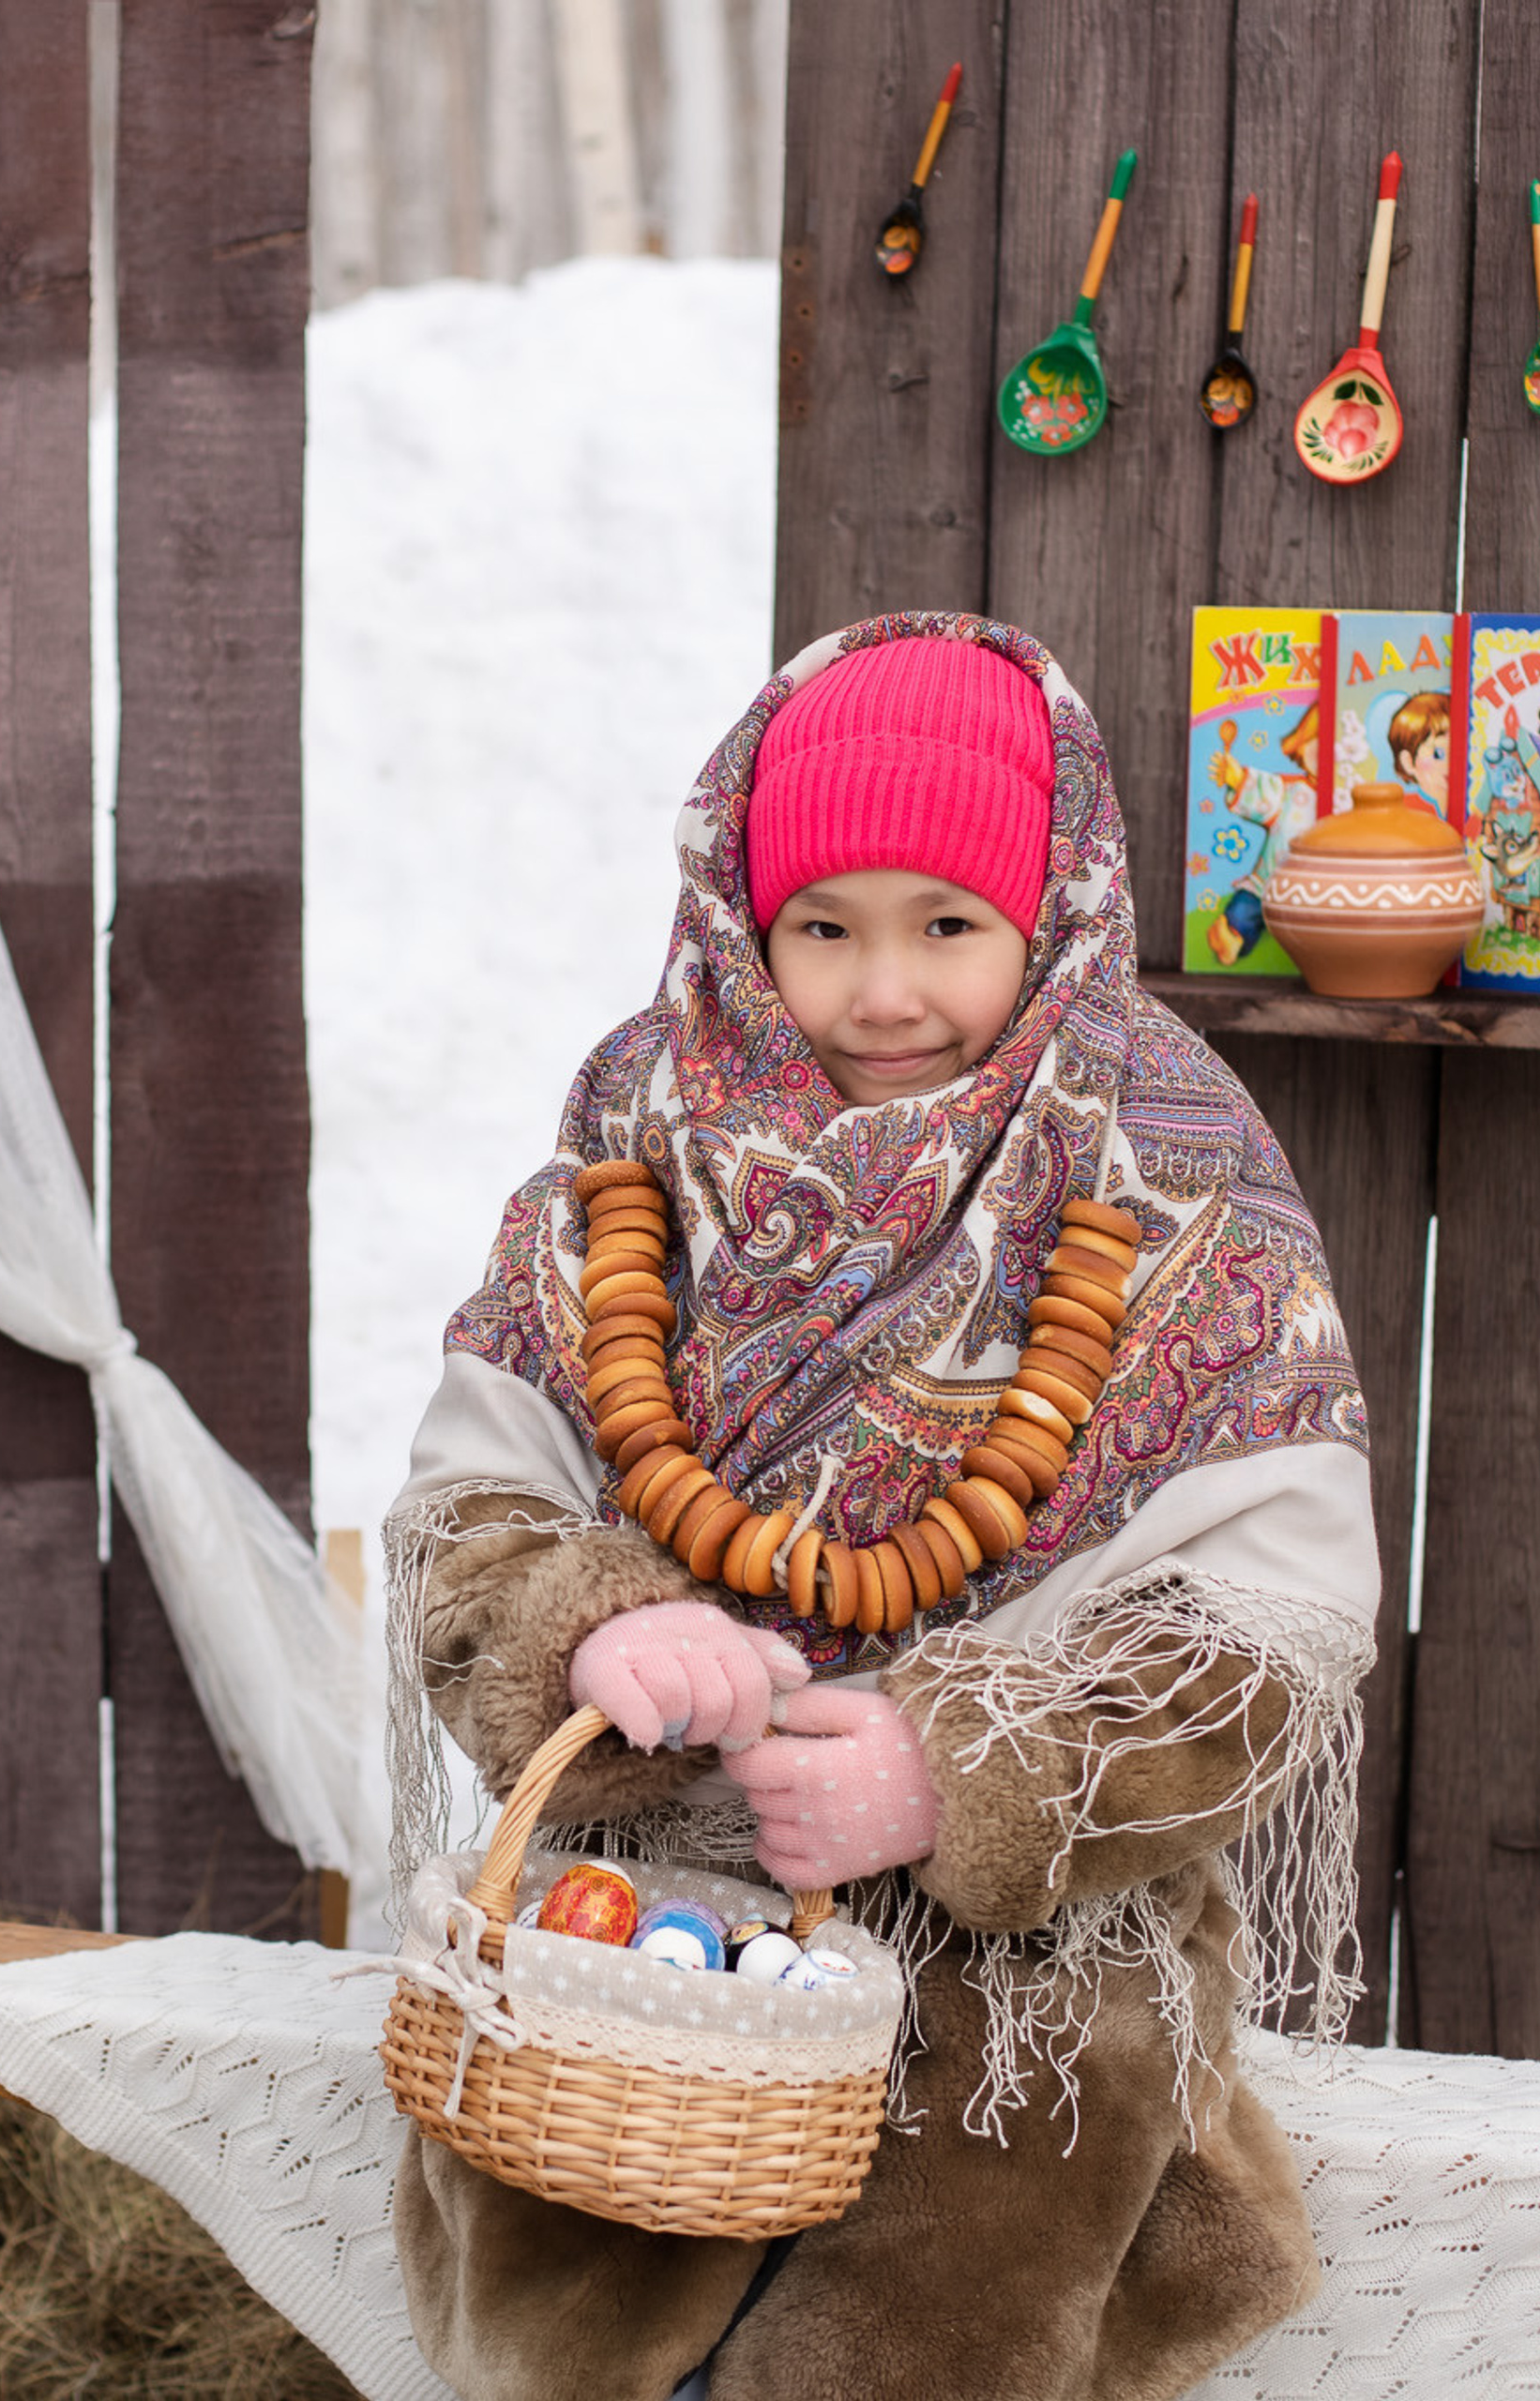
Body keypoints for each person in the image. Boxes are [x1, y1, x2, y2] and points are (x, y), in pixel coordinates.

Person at [383, 617, 1377, 2401]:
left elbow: (1270, 1632)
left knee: (956, 2283)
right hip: (644, 1919)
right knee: (585, 2308)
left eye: (949, 928)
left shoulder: (1173, 1163)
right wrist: (599, 1622)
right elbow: (472, 1500)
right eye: (821, 929)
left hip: (1025, 1969)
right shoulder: (643, 1120)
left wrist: (960, 1768)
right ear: (739, 919)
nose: (882, 994)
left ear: (1053, 916)